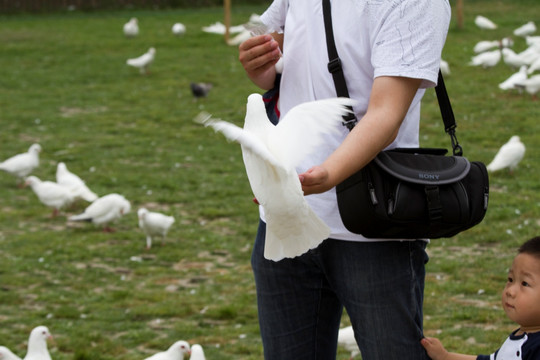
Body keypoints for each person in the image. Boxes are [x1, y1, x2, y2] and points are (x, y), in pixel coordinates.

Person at [238, 1, 451, 359]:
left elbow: (387, 111)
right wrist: (260, 65)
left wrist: (328, 174)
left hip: (373, 222)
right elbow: (275, 52)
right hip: (285, 221)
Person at [421, 236, 540, 360]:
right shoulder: (522, 335)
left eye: (525, 283)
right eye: (510, 279)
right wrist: (445, 356)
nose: (510, 291)